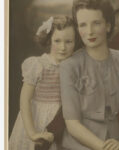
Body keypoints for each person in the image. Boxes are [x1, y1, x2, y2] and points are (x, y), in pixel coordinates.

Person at [60, 0, 119, 150]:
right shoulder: (69, 66)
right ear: (77, 29)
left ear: (108, 26)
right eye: (83, 25)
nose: (89, 31)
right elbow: (72, 124)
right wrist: (106, 148)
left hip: (117, 140)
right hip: (79, 144)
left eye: (96, 23)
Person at [9, 15, 76, 150]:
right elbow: (25, 100)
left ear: (76, 42)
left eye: (68, 41)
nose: (63, 47)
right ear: (49, 40)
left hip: (63, 121)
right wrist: (32, 133)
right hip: (36, 120)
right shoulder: (38, 65)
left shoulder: (75, 66)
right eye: (57, 41)